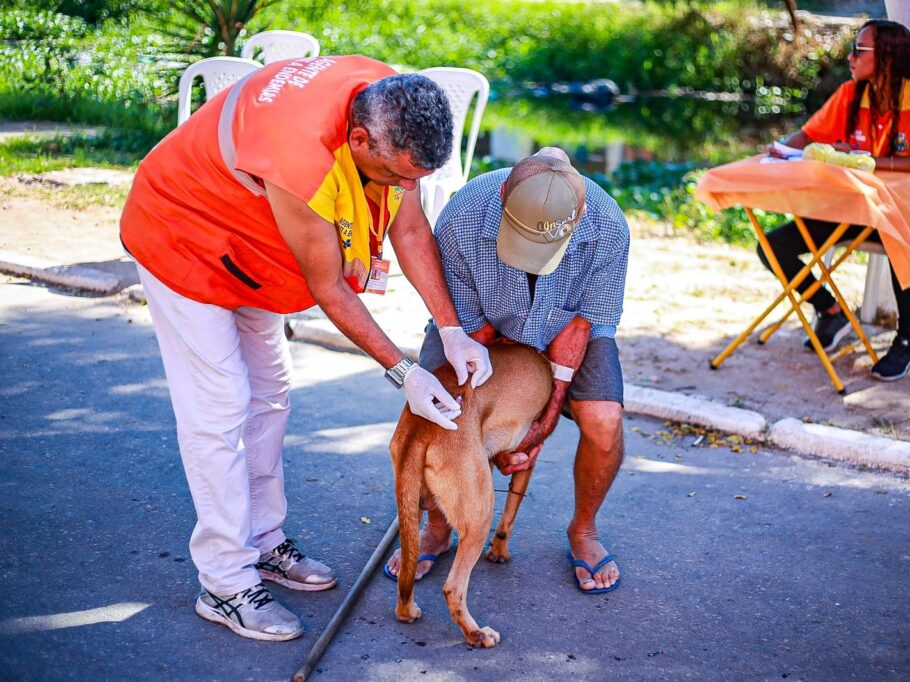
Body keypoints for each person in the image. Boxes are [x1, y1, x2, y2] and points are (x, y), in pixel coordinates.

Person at [120, 56, 493, 641]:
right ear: (359, 138)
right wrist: (404, 372)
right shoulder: (299, 156)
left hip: (253, 248)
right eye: (397, 177)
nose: (405, 189)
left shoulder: (391, 102)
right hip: (184, 238)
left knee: (271, 394)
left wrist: (451, 329)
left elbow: (411, 228)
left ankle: (265, 542)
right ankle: (224, 581)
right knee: (219, 409)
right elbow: (329, 287)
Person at [384, 147, 630, 593]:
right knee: (442, 412)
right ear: (502, 195)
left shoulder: (608, 227)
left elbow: (578, 329)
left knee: (604, 419)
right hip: (474, 327)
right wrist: (495, 432)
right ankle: (438, 529)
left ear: (581, 214)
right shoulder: (463, 215)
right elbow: (472, 333)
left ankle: (584, 531)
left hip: (566, 328)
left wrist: (539, 424)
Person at [760, 19, 910, 381]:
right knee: (771, 246)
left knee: (902, 237)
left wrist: (873, 160)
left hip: (903, 213)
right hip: (849, 208)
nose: (850, 57)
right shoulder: (851, 94)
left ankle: (908, 337)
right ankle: (830, 311)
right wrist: (780, 150)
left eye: (859, 50)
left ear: (888, 58)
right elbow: (808, 135)